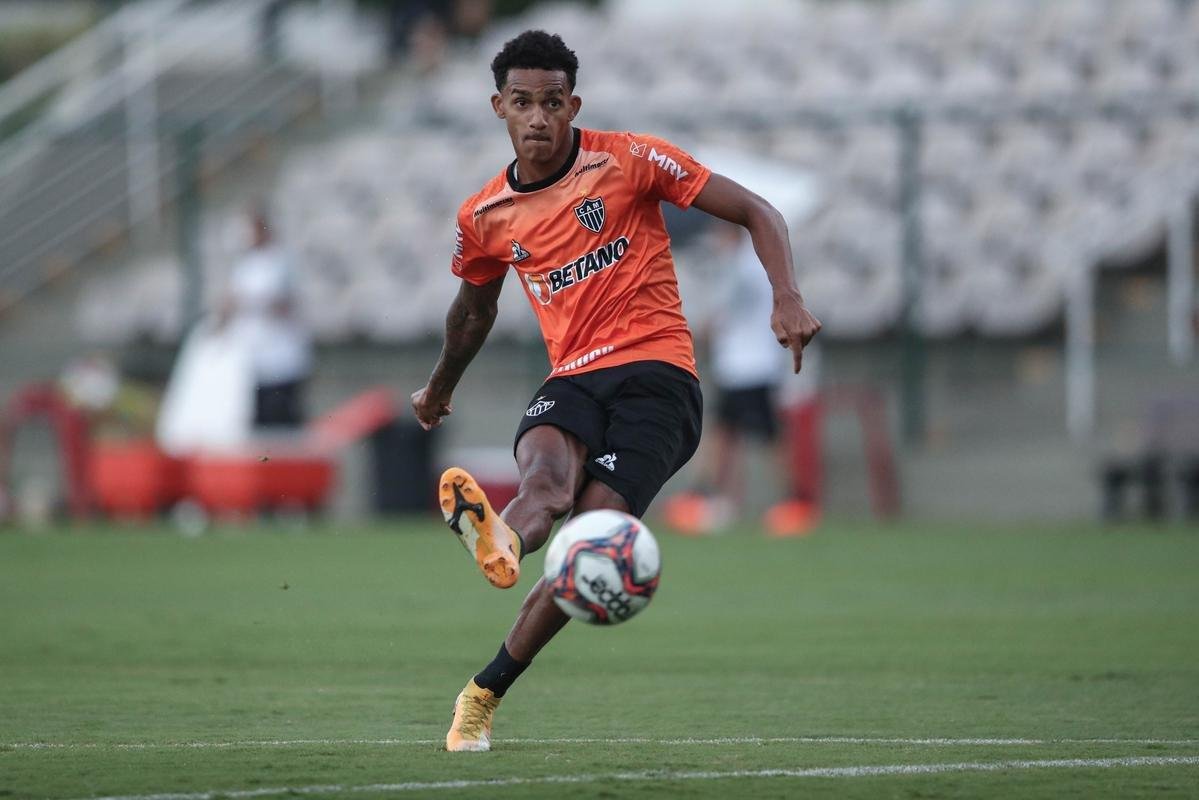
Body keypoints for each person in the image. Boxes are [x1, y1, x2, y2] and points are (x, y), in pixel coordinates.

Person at [410, 30, 822, 752]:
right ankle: (501, 539)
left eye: (550, 103)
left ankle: (482, 692)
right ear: (497, 107)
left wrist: (784, 295)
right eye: (521, 103)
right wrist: (438, 386)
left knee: (583, 543)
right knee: (541, 482)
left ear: (573, 103)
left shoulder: (630, 159)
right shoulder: (483, 216)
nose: (537, 118)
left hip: (658, 379)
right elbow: (473, 310)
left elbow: (760, 210)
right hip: (571, 376)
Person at [665, 224, 822, 537]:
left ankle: (796, 498)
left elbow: (720, 315)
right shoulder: (745, 267)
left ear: (733, 236)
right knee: (726, 433)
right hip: (740, 368)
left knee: (765, 437)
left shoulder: (745, 268)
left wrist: (699, 332)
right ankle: (707, 494)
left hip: (750, 368)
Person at [221, 207, 312, 431]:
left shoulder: (281, 261)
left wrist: (256, 302)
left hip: (281, 361)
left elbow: (286, 303)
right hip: (254, 363)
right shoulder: (244, 266)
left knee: (283, 423)